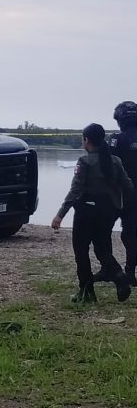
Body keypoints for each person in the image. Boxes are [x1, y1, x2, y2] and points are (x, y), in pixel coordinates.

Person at [52, 123, 134, 303]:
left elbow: (75, 190)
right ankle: (120, 277)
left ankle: (86, 291)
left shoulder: (84, 162)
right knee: (102, 248)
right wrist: (123, 208)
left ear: (86, 140)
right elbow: (128, 185)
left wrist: (60, 215)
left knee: (81, 250)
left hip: (86, 211)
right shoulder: (115, 161)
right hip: (108, 212)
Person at [110, 101, 137, 286]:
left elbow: (108, 165)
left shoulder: (116, 140)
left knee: (125, 233)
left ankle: (122, 271)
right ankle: (129, 271)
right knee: (132, 231)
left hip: (122, 192)